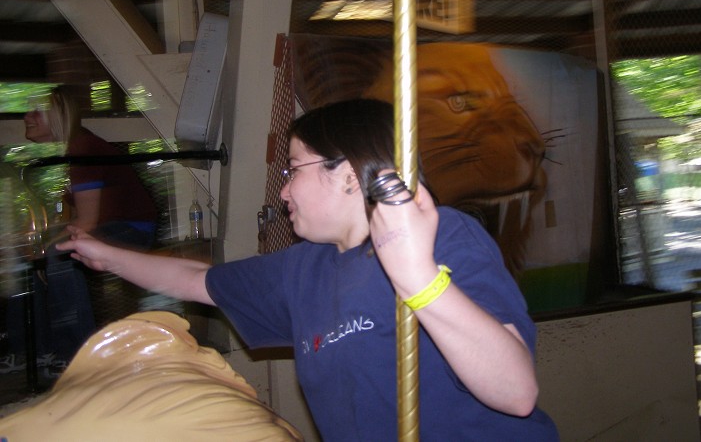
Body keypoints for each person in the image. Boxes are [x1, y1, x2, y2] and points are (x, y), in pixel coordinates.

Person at [58, 98, 559, 440]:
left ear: (346, 174)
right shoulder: (303, 269)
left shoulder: (444, 234)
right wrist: (106, 256)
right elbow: (195, 282)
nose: (283, 191)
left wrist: (418, 278)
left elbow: (515, 393)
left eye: (292, 170)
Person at [18, 85, 158, 371]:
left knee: (59, 256)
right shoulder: (71, 151)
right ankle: (34, 353)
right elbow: (73, 218)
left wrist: (45, 247)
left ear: (58, 115)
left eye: (36, 111)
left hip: (131, 230)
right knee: (29, 255)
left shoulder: (83, 148)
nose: (26, 117)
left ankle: (75, 357)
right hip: (110, 228)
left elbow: (86, 224)